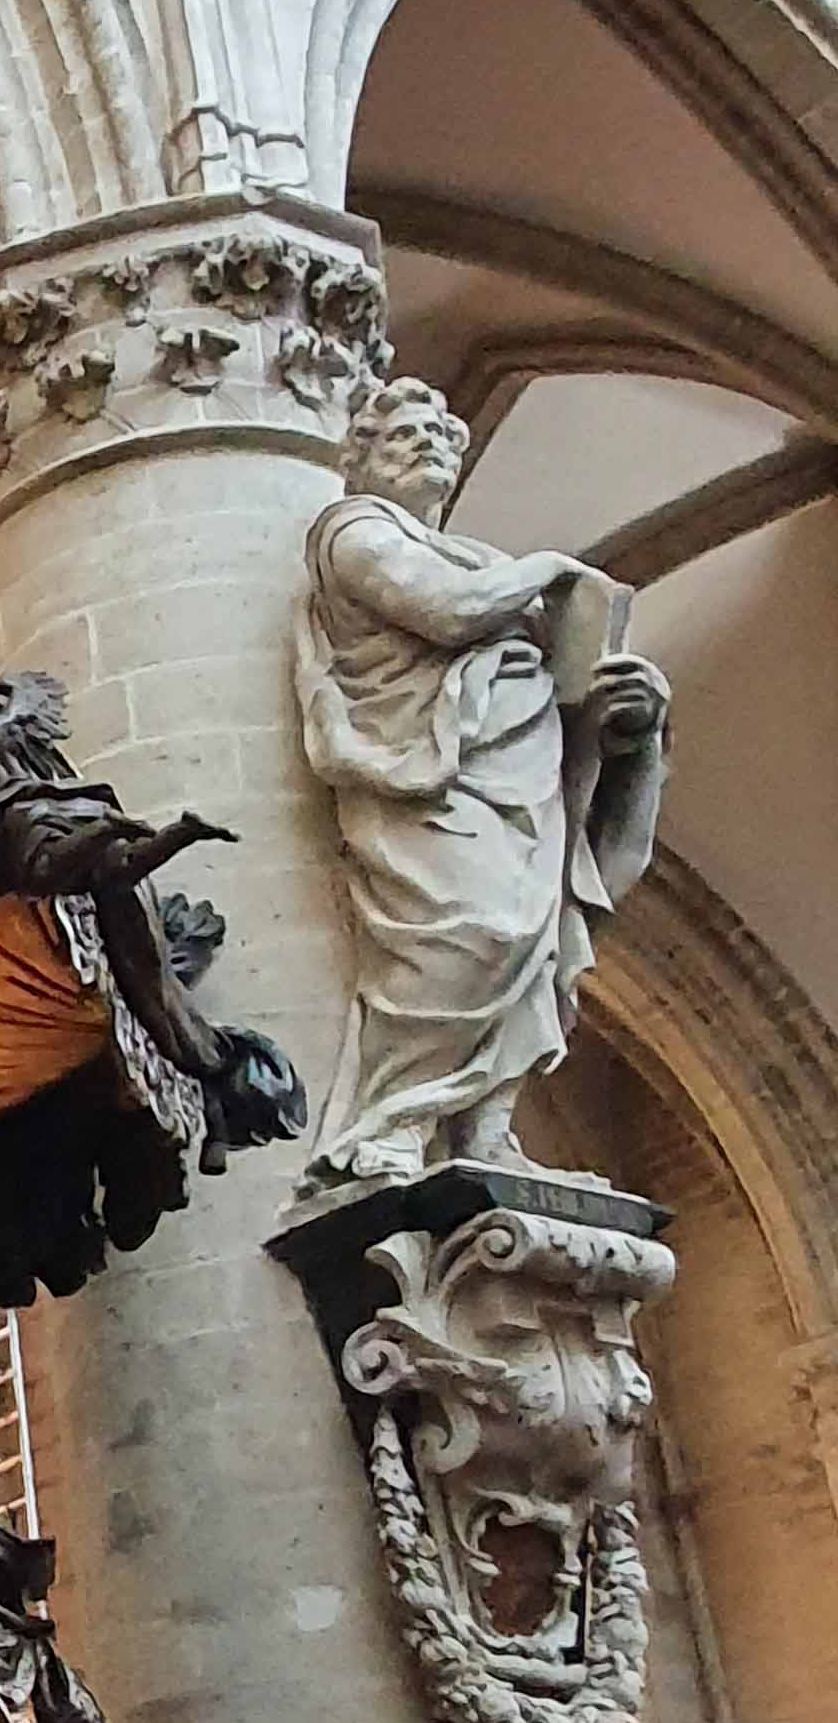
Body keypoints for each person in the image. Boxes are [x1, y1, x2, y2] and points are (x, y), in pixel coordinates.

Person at [292, 373, 669, 1190]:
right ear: (360, 459)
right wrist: (551, 568)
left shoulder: (484, 562)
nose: (425, 446)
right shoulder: (353, 532)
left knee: (531, 944)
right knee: (472, 931)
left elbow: (547, 664)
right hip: (426, 776)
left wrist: (626, 714)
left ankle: (484, 1132)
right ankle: (395, 1120)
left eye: (437, 436)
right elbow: (450, 611)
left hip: (520, 768)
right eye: (403, 435)